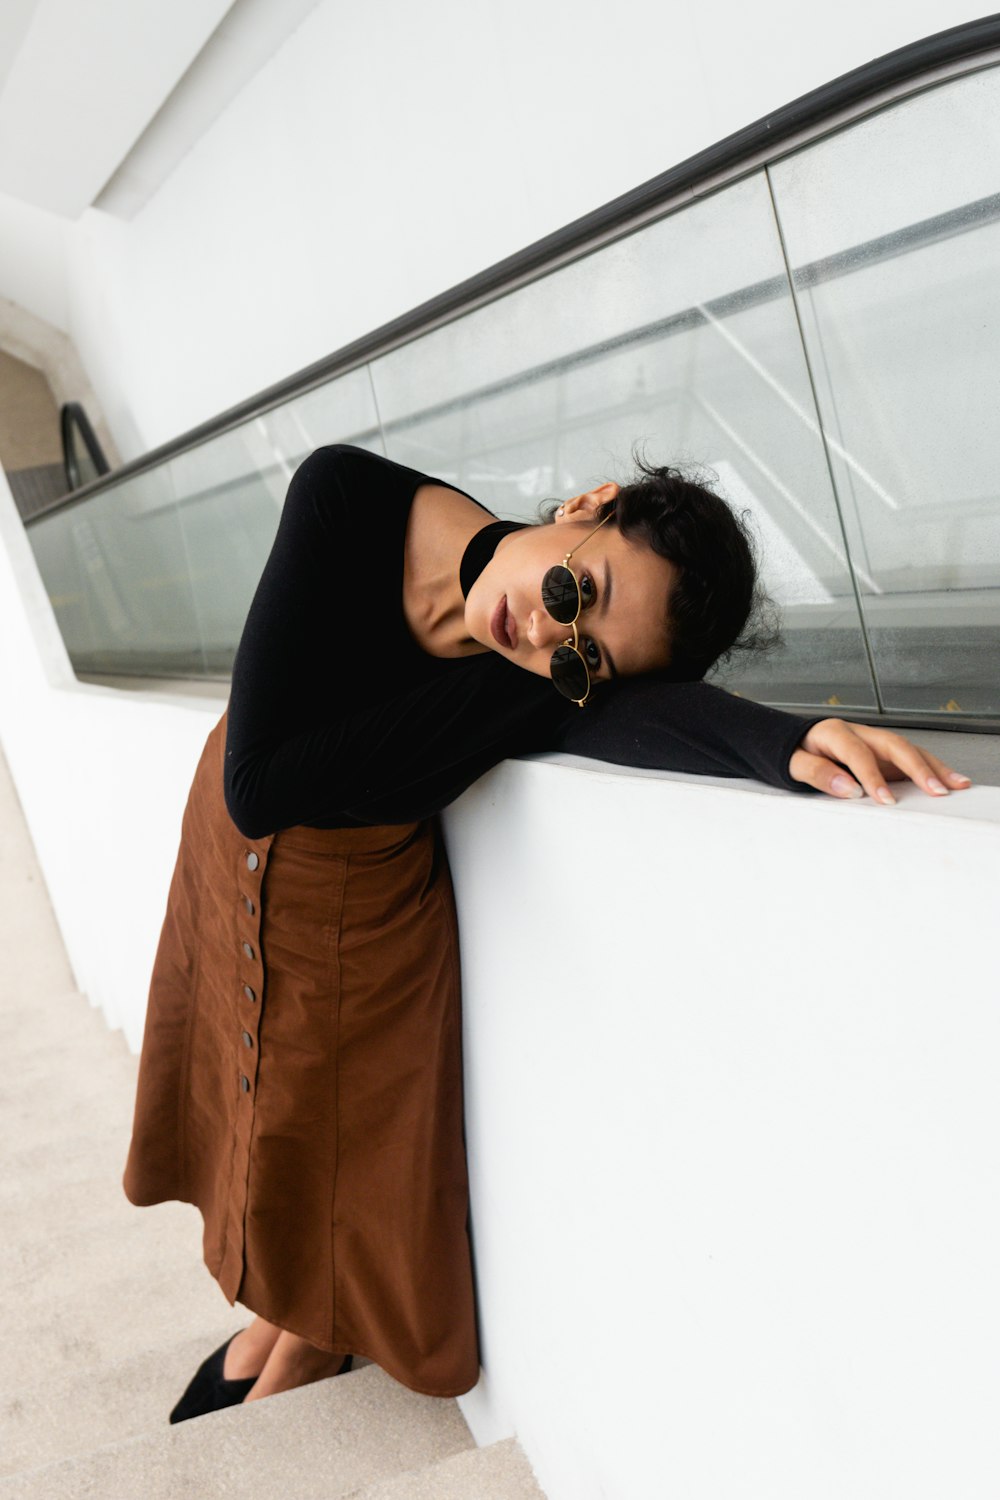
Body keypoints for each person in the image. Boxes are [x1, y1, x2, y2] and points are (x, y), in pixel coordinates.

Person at [122, 444, 971, 1423]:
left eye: (587, 660)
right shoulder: (345, 497)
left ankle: (297, 1344)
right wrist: (535, 692)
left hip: (349, 896)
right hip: (228, 847)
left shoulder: (548, 666)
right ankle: (276, 1324)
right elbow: (264, 782)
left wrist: (781, 742)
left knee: (315, 1130)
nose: (541, 632)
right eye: (577, 586)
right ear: (587, 501)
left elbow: (634, 716)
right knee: (241, 1110)